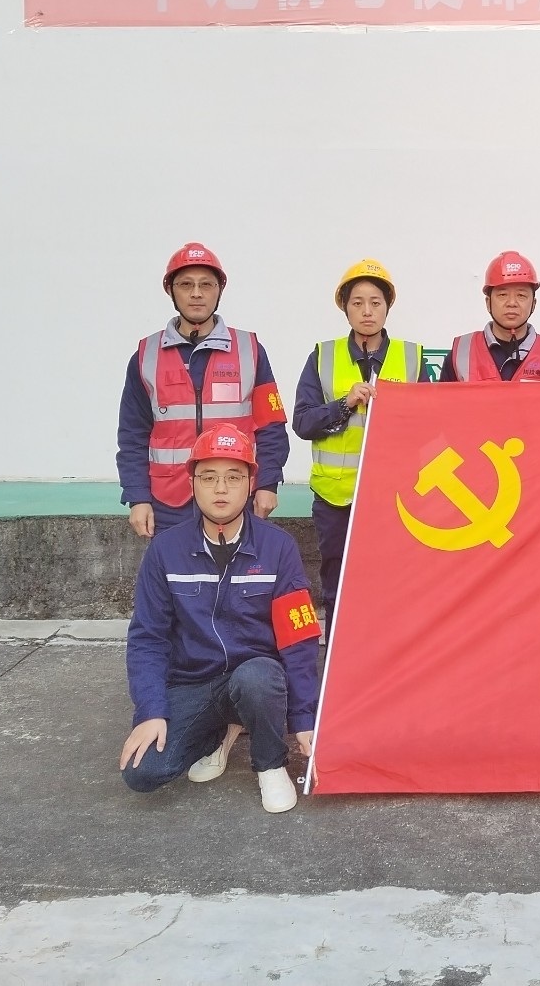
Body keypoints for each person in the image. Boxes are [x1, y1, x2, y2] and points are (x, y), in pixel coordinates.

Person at [119, 423, 320, 813]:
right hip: (192, 682)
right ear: (192, 483)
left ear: (251, 484)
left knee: (258, 677)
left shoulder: (278, 547)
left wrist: (303, 717)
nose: (221, 489)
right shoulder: (165, 550)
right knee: (143, 773)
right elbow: (148, 638)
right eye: (208, 477)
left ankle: (270, 763)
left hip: (256, 678)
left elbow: (299, 639)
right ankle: (220, 733)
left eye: (234, 477)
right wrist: (150, 711)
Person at [116, 242, 289, 538]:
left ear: (219, 290)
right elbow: (133, 434)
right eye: (186, 284)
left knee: (240, 569)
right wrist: (137, 496)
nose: (196, 293)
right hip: (169, 502)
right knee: (172, 568)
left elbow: (271, 426)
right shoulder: (146, 355)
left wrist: (267, 484)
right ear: (170, 290)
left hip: (236, 495)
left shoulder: (250, 350)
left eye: (206, 284)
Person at [292, 260, 424, 619]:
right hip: (336, 498)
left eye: (376, 302)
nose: (367, 311)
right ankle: (338, 651)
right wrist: (343, 404)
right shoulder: (323, 356)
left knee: (395, 584)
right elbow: (303, 422)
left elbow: (432, 427)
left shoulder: (412, 358)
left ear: (388, 306)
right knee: (337, 585)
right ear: (345, 307)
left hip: (395, 498)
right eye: (358, 302)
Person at [438, 250, 540, 382]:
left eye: (521, 295)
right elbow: (443, 399)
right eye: (502, 295)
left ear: (533, 304)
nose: (511, 303)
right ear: (488, 302)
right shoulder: (461, 354)